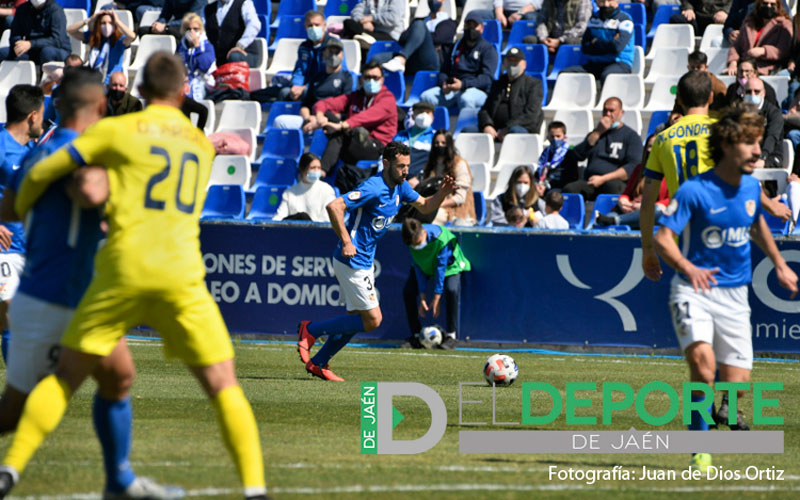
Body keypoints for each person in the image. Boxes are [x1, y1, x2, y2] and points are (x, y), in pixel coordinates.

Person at [0, 53, 270, 500]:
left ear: (140, 92)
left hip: (114, 273)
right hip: (174, 275)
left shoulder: (111, 134)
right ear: (185, 92)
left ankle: (75, 476)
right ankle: (256, 490)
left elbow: (57, 176)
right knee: (223, 384)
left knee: (106, 377)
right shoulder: (198, 143)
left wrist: (31, 199)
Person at [0, 67, 183, 500]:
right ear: (101, 106)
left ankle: (120, 481)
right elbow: (88, 189)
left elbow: (8, 206)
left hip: (45, 290)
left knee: (117, 377)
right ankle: (117, 481)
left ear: (55, 106)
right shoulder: (82, 151)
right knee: (19, 407)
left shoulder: (37, 153)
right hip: (63, 295)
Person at [653, 104, 798, 475]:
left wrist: (779, 264)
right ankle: (699, 452)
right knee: (703, 369)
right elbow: (663, 238)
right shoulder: (695, 191)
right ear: (729, 146)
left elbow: (755, 224)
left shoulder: (750, 187)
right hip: (693, 291)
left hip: (735, 298)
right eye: (749, 143)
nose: (757, 152)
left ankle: (721, 411)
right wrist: (687, 267)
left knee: (735, 389)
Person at [296, 142, 455, 381]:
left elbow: (424, 205)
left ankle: (319, 362)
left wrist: (442, 193)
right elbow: (334, 206)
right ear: (386, 163)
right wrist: (347, 241)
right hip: (352, 260)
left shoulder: (400, 187)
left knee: (355, 320)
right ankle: (311, 330)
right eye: (401, 166)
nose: (405, 171)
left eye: (408, 166)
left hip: (364, 261)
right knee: (373, 320)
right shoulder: (373, 187)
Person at [0, 85, 44, 364]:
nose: (43, 119)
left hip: (31, 247)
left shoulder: (32, 150)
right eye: (42, 114)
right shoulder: (1, 146)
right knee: (11, 314)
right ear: (32, 116)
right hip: (5, 248)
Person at [309, 61, 398, 193]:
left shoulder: (387, 99)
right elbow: (325, 103)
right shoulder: (355, 96)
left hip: (376, 148)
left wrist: (341, 125)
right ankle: (322, 172)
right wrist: (320, 116)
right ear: (361, 79)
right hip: (353, 144)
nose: (371, 81)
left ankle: (322, 172)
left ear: (382, 80)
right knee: (333, 122)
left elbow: (367, 116)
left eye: (375, 78)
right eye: (367, 77)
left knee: (342, 133)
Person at [401, 217, 471, 350]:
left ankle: (451, 336)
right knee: (408, 291)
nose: (416, 247)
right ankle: (416, 336)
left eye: (418, 243)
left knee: (451, 290)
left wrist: (436, 297)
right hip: (425, 267)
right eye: (413, 246)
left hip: (450, 266)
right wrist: (422, 297)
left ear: (424, 233)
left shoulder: (441, 239)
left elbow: (441, 268)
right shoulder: (411, 241)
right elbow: (418, 266)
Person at [560, 97, 643, 199]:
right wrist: (598, 132)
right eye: (605, 110)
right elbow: (577, 155)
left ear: (621, 113)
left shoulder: (631, 136)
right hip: (591, 181)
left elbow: (632, 167)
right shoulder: (596, 134)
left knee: (612, 187)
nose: (608, 114)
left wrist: (603, 179)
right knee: (570, 189)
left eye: (611, 111)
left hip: (613, 182)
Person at [419, 11, 498, 111]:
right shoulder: (456, 46)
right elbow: (444, 70)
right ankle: (434, 126)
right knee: (426, 97)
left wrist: (463, 84)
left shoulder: (488, 49)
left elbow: (486, 79)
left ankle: (466, 126)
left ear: (481, 28)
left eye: (474, 26)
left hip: (476, 90)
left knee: (466, 99)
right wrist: (444, 83)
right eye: (468, 25)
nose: (471, 29)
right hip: (452, 89)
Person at [272, 38, 353, 130]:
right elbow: (305, 105)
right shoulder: (317, 78)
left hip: (332, 121)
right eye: (330, 52)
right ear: (324, 54)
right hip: (312, 119)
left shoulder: (347, 78)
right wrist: (308, 118)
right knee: (280, 121)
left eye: (336, 53)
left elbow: (347, 107)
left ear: (342, 55)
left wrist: (322, 120)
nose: (333, 56)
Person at [595, 134, 670, 229]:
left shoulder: (671, 170)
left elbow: (672, 199)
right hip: (631, 208)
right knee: (602, 224)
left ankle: (616, 221)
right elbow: (626, 193)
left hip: (651, 212)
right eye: (649, 146)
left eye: (655, 146)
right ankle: (614, 220)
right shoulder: (639, 169)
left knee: (657, 210)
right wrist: (623, 201)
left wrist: (644, 206)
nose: (650, 150)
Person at [475, 47, 544, 139]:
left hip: (520, 128)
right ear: (504, 63)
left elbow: (531, 114)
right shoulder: (498, 84)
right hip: (495, 129)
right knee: (467, 131)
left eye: (516, 62)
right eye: (509, 61)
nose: (512, 65)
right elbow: (484, 110)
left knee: (514, 132)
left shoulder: (533, 84)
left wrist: (508, 127)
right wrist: (487, 125)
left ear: (524, 65)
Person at [563, 0, 635, 84]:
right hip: (596, 63)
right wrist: (609, 43)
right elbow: (585, 47)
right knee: (565, 74)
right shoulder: (594, 19)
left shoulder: (625, 20)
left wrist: (595, 42)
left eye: (609, 1)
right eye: (602, 1)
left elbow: (617, 47)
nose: (606, 4)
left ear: (617, 1)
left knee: (607, 76)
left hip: (619, 63)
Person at [421, 129, 475, 225]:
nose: (439, 146)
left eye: (443, 143)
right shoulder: (430, 165)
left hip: (454, 210)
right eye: (436, 143)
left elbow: (460, 197)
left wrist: (437, 203)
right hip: (433, 205)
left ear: (449, 145)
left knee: (430, 217)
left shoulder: (459, 164)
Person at [66, 9, 136, 83]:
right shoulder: (94, 38)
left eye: (110, 23)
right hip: (93, 78)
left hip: (110, 82)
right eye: (103, 23)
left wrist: (117, 21)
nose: (107, 26)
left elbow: (132, 36)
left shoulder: (119, 40)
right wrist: (88, 20)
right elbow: (70, 30)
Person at [725, 0, 792, 76]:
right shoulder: (749, 22)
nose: (768, 6)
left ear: (778, 6)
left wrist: (764, 51)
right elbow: (736, 46)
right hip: (744, 68)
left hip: (768, 68)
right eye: (765, 3)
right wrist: (733, 62)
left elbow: (783, 50)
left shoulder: (784, 25)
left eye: (772, 4)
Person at [379, 0, 447, 74]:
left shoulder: (449, 23)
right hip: (412, 58)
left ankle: (402, 58)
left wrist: (419, 34)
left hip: (430, 61)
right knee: (376, 59)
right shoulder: (419, 20)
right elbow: (402, 38)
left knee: (420, 25)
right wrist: (419, 34)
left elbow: (438, 39)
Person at [0, 0, 71, 65]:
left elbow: (57, 40)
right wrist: (18, 44)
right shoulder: (22, 9)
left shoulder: (56, 11)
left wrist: (31, 44)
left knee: (47, 52)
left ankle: (46, 78)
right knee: (3, 53)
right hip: (31, 50)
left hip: (56, 49)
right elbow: (15, 33)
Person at [274, 153, 337, 222]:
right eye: (313, 168)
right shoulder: (289, 193)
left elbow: (326, 219)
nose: (316, 171)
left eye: (319, 168)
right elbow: (280, 216)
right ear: (303, 169)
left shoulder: (327, 190)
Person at [204, 0, 262, 68]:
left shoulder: (244, 3)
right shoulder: (208, 9)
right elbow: (202, 30)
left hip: (245, 53)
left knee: (234, 57)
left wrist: (240, 45)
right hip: (219, 56)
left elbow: (254, 25)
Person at [741, 77, 784, 169]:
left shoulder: (774, 113)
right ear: (743, 93)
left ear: (763, 93)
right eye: (748, 92)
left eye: (756, 92)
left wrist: (762, 157)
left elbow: (772, 137)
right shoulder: (738, 112)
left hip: (770, 156)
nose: (752, 95)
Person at [393, 101, 437, 186]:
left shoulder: (436, 137)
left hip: (421, 180)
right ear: (413, 116)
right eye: (420, 112)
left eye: (428, 112)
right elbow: (388, 156)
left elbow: (438, 163)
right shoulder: (401, 135)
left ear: (433, 117)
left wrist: (420, 178)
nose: (424, 115)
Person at [176, 12, 216, 102]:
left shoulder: (207, 46)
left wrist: (197, 46)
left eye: (195, 29)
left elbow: (204, 66)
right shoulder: (181, 47)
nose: (192, 32)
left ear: (201, 30)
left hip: (204, 82)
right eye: (188, 29)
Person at [536, 121, 570, 194]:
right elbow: (539, 170)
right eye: (552, 136)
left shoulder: (569, 153)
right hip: (543, 185)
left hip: (558, 186)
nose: (555, 139)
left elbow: (569, 177)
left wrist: (547, 185)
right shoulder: (546, 153)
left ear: (565, 138)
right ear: (548, 137)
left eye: (558, 136)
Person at [471, 0, 541, 28]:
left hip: (527, 13)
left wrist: (520, 13)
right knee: (474, 15)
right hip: (503, 13)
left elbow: (539, 3)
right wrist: (499, 14)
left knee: (530, 18)